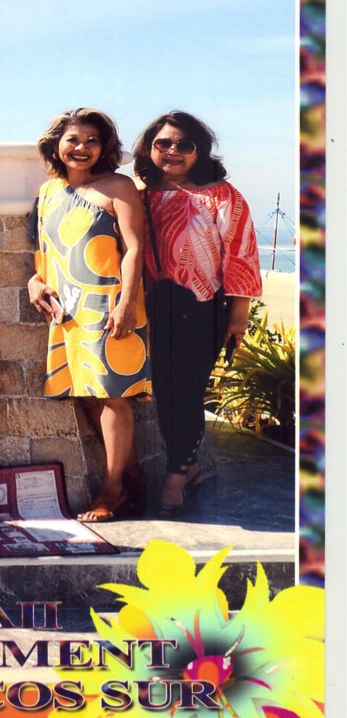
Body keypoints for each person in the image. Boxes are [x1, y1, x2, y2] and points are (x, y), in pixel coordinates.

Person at [133, 111, 262, 518]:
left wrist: (237, 316)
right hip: (153, 306)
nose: (172, 152)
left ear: (199, 151)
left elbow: (241, 254)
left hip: (201, 306)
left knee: (186, 395)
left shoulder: (222, 195)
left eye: (183, 145)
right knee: (165, 394)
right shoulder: (138, 194)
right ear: (149, 148)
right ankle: (186, 469)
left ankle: (174, 478)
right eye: (163, 144)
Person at [28, 108, 151, 522]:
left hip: (110, 304)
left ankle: (111, 491)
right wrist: (34, 283)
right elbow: (43, 253)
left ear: (104, 147)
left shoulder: (118, 186)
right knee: (87, 397)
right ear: (56, 145)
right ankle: (134, 481)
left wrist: (126, 304)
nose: (82, 148)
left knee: (113, 396)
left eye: (92, 141)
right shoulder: (47, 193)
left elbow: (135, 249)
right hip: (68, 311)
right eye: (73, 140)